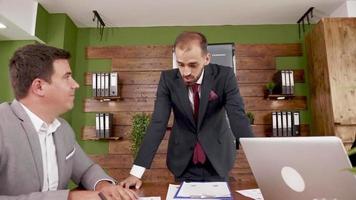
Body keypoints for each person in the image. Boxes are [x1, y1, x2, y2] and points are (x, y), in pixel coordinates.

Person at [0, 44, 138, 200]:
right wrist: (70, 198)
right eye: (67, 77)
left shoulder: (63, 129)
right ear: (39, 87)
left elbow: (87, 170)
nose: (75, 84)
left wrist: (105, 187)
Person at [121, 31, 253, 189]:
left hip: (218, 158)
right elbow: (158, 123)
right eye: (180, 64)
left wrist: (261, 164)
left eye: (192, 65)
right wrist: (136, 173)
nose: (186, 72)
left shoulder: (225, 76)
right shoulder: (167, 80)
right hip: (183, 160)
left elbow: (237, 117)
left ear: (207, 59)